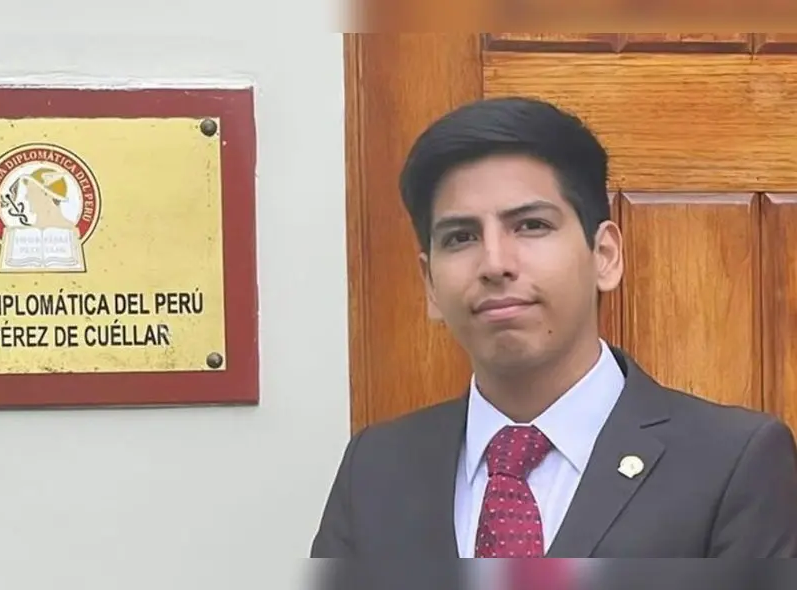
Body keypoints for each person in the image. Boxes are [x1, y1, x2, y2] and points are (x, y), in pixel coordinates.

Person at [310, 96, 797, 559]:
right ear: (430, 284)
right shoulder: (375, 469)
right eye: (461, 238)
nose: (495, 263)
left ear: (604, 255)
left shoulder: (732, 462)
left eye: (531, 226)